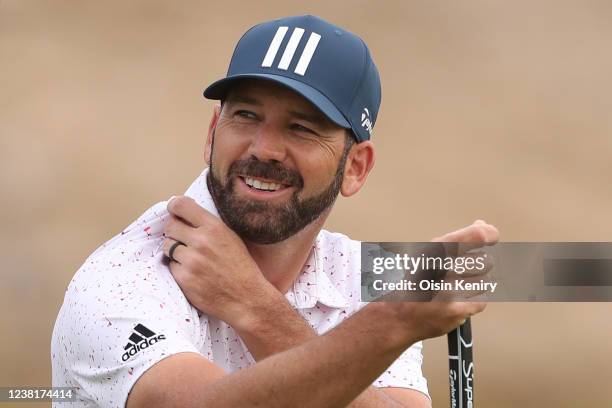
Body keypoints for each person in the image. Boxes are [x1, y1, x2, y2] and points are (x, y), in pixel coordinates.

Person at [51, 15, 498, 408]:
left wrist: (258, 310)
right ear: (212, 132)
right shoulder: (123, 278)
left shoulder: (361, 279)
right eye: (245, 115)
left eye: (301, 128)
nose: (264, 149)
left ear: (355, 167)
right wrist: (391, 324)